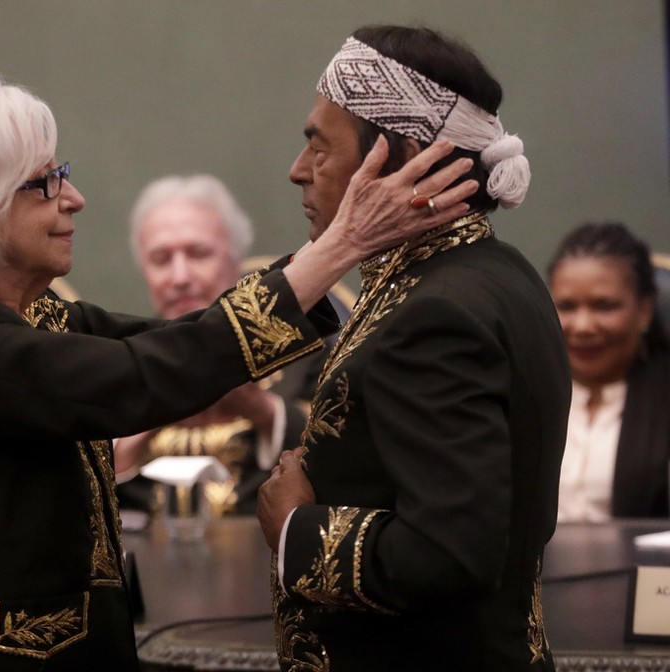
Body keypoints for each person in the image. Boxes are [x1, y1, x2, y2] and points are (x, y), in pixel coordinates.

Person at [0, 79, 474, 671]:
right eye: (46, 182)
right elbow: (145, 375)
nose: (74, 198)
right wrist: (344, 243)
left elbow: (174, 343)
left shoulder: (26, 316)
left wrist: (336, 247)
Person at [256, 25, 570, 671]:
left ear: (401, 155)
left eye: (319, 145)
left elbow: (451, 554)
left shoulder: (434, 313)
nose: (298, 171)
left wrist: (295, 531)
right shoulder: (497, 272)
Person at [115, 174, 328, 515]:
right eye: (161, 259)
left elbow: (334, 464)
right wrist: (156, 405)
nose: (180, 277)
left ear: (235, 262)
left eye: (198, 254)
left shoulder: (304, 351)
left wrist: (259, 408)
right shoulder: (124, 358)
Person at [548, 221, 670, 520]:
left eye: (604, 306)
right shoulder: (521, 393)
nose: (583, 326)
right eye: (566, 306)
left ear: (644, 311)